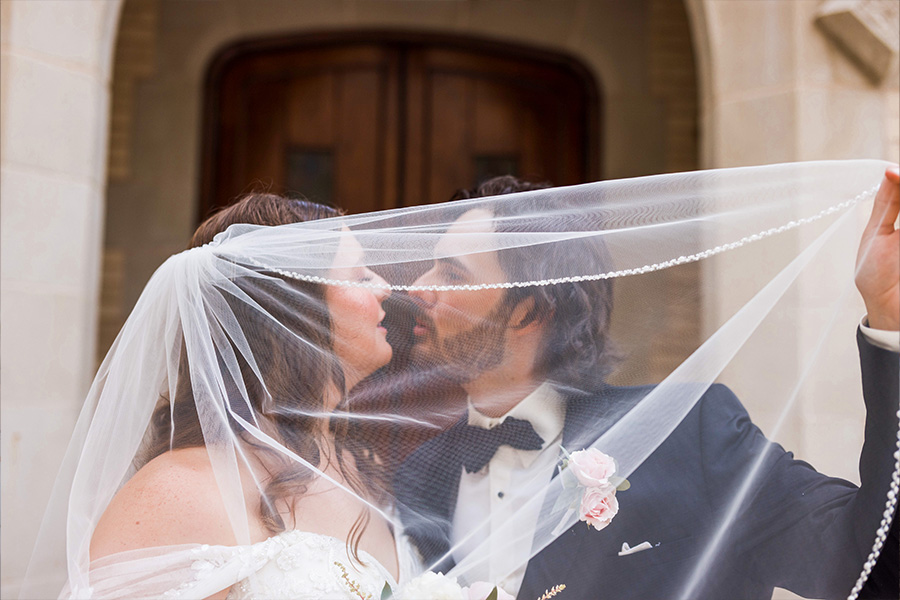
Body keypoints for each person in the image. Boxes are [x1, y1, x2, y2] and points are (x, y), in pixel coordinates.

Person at [394, 170, 900, 599]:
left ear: (529, 310)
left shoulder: (688, 433)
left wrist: (891, 323)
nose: (418, 290)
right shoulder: (416, 478)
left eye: (454, 276)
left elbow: (868, 564)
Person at [67, 193, 415, 599]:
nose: (386, 288)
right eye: (359, 276)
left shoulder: (360, 466)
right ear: (292, 310)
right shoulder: (174, 493)